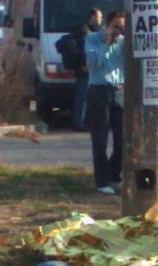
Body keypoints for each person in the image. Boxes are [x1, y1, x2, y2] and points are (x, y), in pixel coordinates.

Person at [85, 10, 125, 195]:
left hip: (119, 91)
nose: (119, 31)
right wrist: (107, 43)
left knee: (123, 138)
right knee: (100, 139)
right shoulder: (93, 39)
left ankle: (113, 174)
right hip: (99, 90)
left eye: (122, 28)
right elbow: (94, 63)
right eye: (115, 27)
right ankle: (102, 181)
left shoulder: (124, 43)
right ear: (107, 25)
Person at [61, 8, 102, 132]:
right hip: (84, 69)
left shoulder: (92, 31)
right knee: (82, 98)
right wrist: (84, 65)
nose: (101, 20)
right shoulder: (84, 31)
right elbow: (85, 51)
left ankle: (86, 122)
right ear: (93, 17)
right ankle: (78, 123)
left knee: (89, 98)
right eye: (100, 17)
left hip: (91, 69)